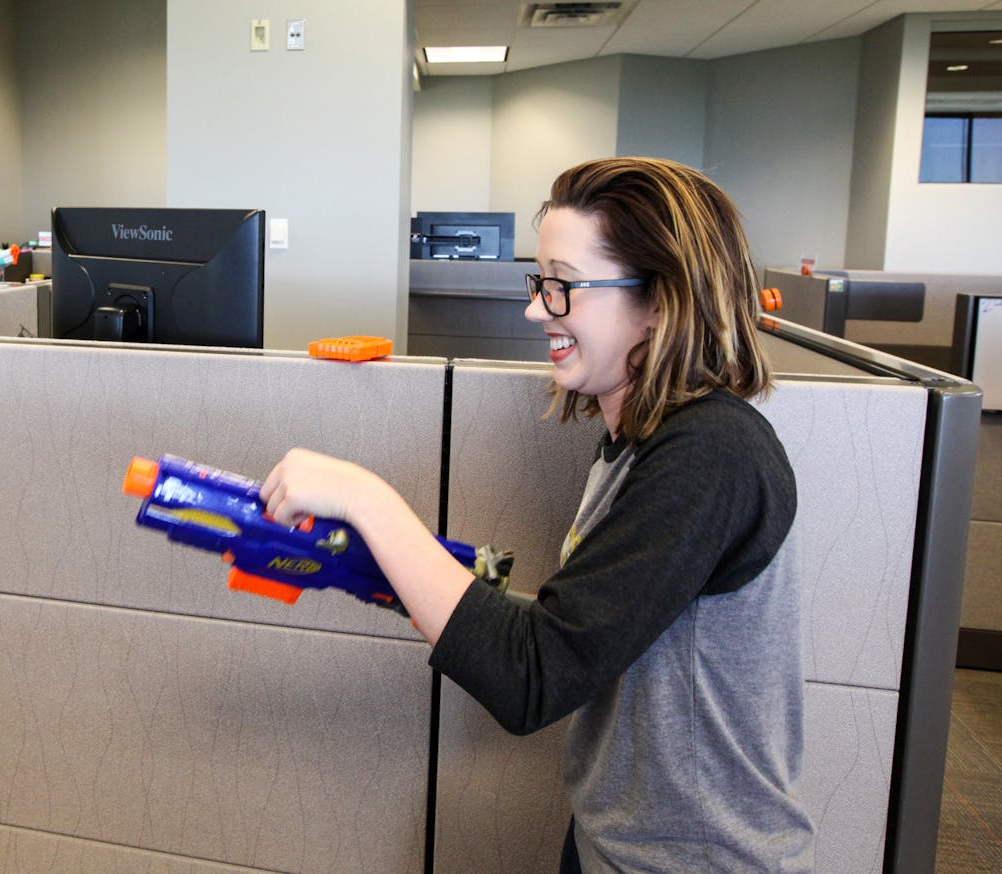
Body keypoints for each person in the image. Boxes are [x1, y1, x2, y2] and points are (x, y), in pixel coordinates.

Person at [259, 157, 814, 872]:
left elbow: (536, 676)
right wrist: (379, 564)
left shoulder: (712, 456)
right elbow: (588, 628)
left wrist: (366, 500)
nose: (535, 309)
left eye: (562, 286)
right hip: (619, 842)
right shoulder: (637, 442)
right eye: (539, 282)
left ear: (658, 299)